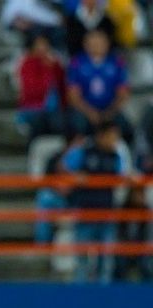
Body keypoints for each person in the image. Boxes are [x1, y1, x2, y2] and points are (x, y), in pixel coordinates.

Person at [63, 120, 130, 283]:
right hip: (85, 212)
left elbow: (123, 176)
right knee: (82, 259)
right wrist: (76, 177)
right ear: (101, 136)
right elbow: (64, 168)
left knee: (105, 259)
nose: (115, 140)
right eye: (112, 136)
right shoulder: (84, 152)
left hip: (106, 213)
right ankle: (80, 294)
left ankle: (104, 295)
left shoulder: (115, 156)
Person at [67, 30, 133, 145]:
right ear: (85, 45)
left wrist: (110, 112)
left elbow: (123, 93)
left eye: (99, 43)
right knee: (75, 126)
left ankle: (124, 157)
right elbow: (73, 96)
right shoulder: (77, 62)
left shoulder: (117, 62)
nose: (96, 47)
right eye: (92, 43)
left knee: (127, 129)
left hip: (110, 110)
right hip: (85, 111)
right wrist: (90, 113)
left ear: (107, 44)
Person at [17, 33, 66, 144]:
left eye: (45, 44)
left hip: (55, 110)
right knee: (40, 121)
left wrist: (55, 68)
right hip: (33, 108)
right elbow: (32, 92)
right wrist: (46, 69)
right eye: (39, 44)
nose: (42, 48)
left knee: (63, 121)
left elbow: (62, 86)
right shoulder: (27, 64)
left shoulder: (55, 63)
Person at [113, 186, 152, 282]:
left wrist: (138, 249)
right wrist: (128, 248)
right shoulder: (123, 210)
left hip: (140, 247)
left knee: (145, 262)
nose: (139, 197)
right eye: (136, 194)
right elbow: (119, 233)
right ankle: (118, 287)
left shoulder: (146, 211)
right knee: (119, 262)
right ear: (131, 195)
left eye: (140, 195)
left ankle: (147, 288)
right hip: (125, 247)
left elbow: (146, 234)